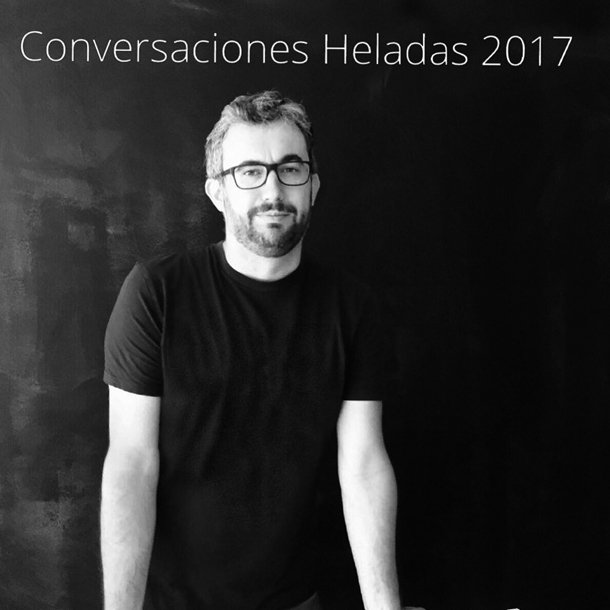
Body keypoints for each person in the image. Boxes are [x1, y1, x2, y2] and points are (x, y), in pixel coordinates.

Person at [101, 90, 401, 610]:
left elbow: (363, 464)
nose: (273, 190)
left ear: (313, 186)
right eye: (249, 172)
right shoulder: (157, 294)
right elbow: (131, 465)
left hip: (296, 600)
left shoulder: (350, 308)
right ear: (217, 192)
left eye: (290, 169)